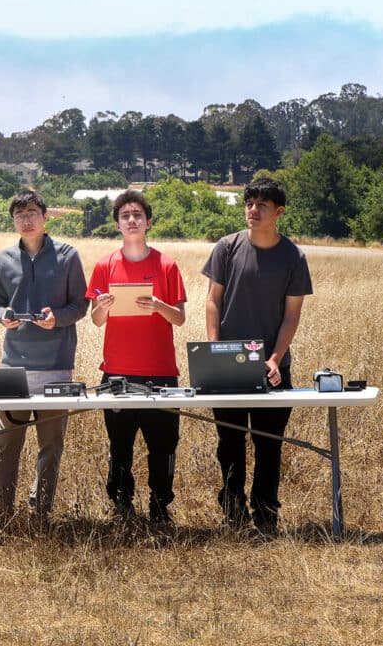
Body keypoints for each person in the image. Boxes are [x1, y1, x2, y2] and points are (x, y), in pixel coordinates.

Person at [202, 177, 313, 535]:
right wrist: (215, 349)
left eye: (262, 205)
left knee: (269, 445)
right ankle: (233, 513)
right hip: (228, 362)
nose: (253, 210)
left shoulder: (294, 257)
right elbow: (212, 301)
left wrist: (275, 358)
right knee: (229, 442)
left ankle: (266, 516)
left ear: (279, 212)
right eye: (250, 203)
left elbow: (291, 315)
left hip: (274, 367)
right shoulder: (226, 247)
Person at [88, 189, 187, 524]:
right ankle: (121, 505)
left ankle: (161, 507)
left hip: (160, 372)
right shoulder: (104, 266)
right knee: (120, 447)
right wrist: (101, 308)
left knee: (164, 445)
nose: (131, 220)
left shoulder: (167, 265)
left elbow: (181, 318)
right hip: (117, 373)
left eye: (137, 215)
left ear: (148, 222)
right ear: (117, 224)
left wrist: (159, 305)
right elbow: (95, 319)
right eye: (125, 216)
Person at [0, 188, 88, 523]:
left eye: (32, 212)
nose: (27, 219)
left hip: (56, 367)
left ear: (45, 218)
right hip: (13, 367)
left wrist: (56, 319)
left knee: (50, 446)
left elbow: (80, 304)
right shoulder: (3, 259)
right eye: (20, 214)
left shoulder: (68, 256)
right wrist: (3, 316)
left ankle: (39, 513)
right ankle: (1, 513)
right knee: (6, 445)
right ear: (13, 220)